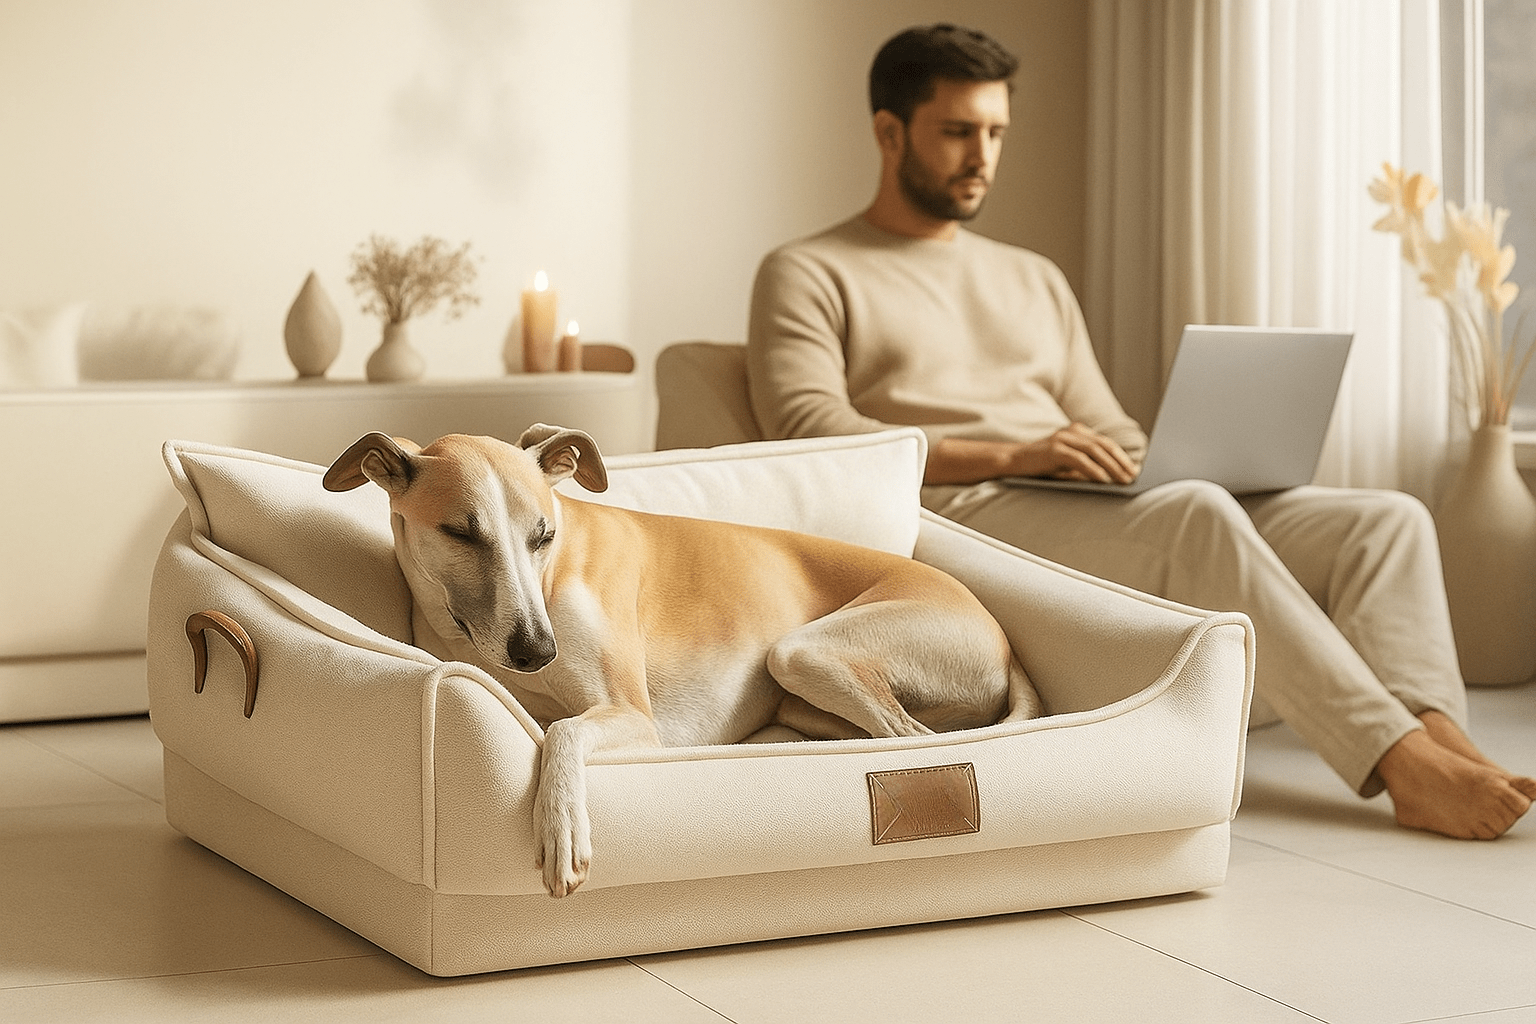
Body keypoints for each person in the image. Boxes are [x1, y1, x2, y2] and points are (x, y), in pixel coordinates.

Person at [746, 23, 1535, 839]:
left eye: (995, 133)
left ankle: (1445, 738)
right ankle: (1400, 764)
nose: (982, 155)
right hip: (961, 512)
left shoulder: (1032, 276)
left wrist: (1156, 458)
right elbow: (813, 431)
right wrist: (1021, 453)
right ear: (889, 132)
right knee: (1192, 512)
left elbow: (1107, 423)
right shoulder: (809, 270)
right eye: (956, 132)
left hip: (1072, 497)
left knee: (1384, 520)